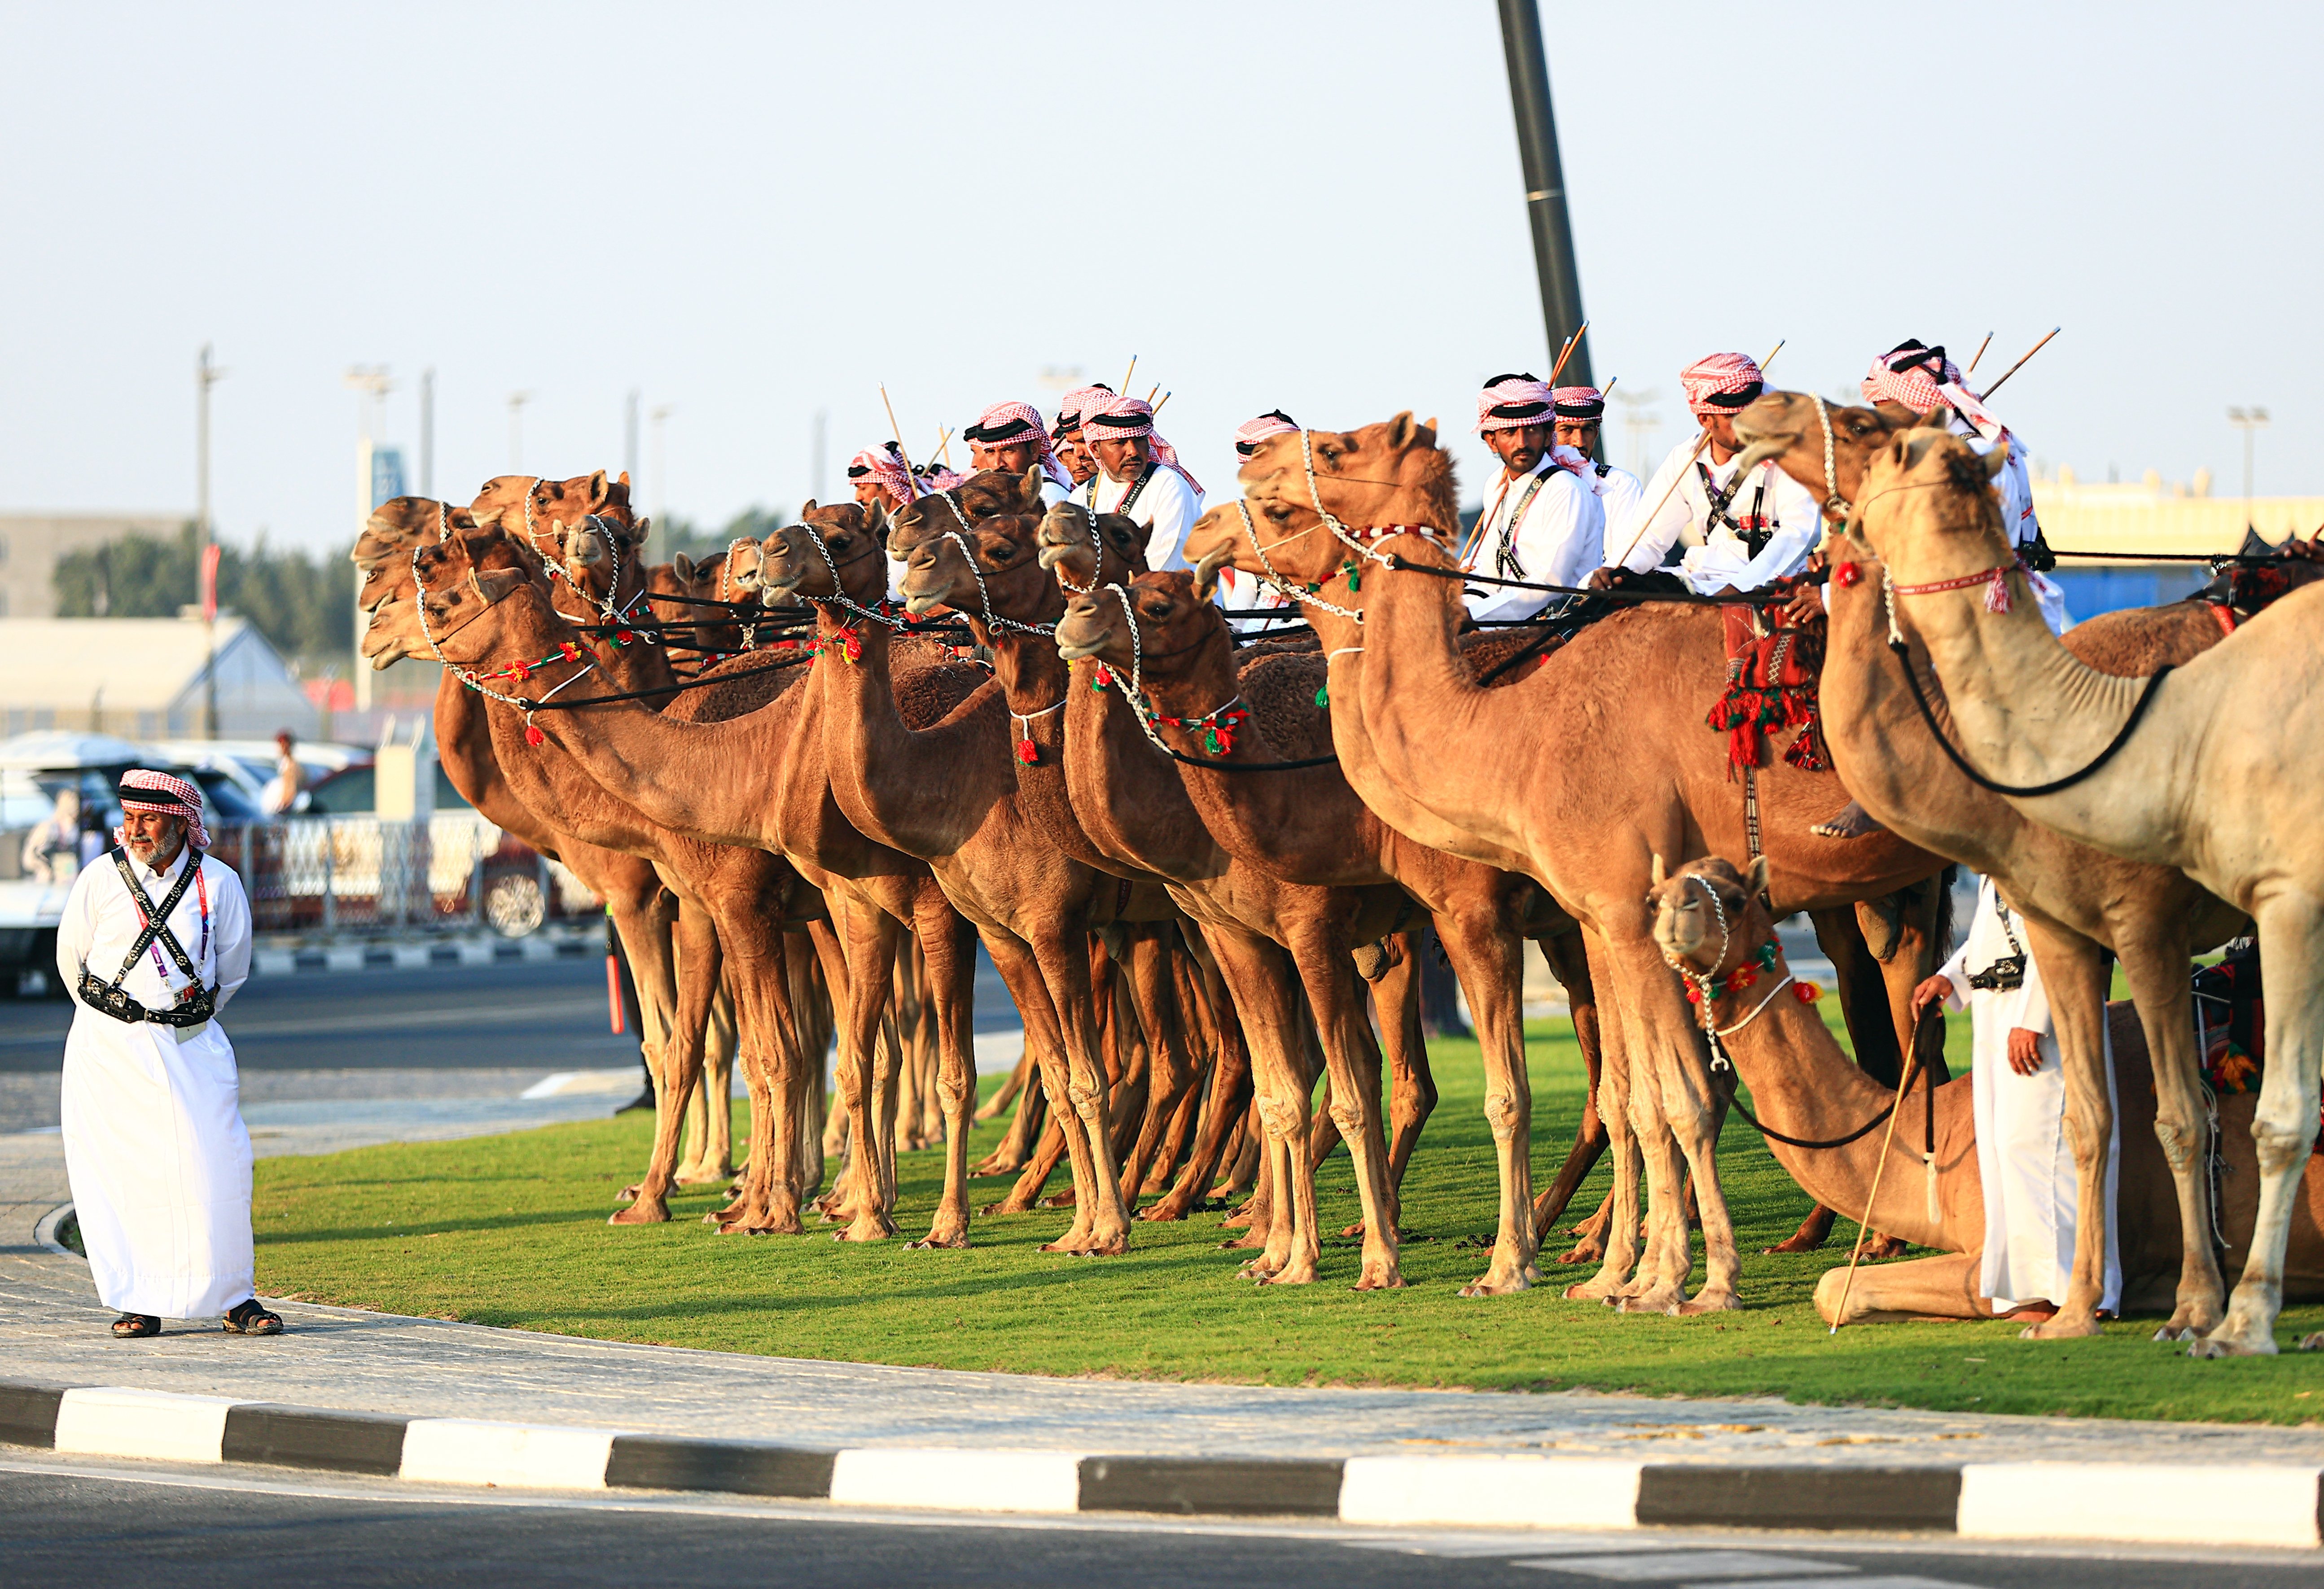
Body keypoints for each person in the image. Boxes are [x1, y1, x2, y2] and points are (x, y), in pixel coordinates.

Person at [55, 769, 277, 1339]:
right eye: (130, 819)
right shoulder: (101, 879)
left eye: (149, 819)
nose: (136, 830)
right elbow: (71, 962)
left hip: (191, 1043)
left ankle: (236, 1298)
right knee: (125, 1176)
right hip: (110, 1049)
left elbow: (232, 970)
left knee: (216, 1165)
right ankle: (138, 1300)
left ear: (180, 822)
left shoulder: (220, 883)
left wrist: (178, 1018)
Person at [1912, 877, 2119, 1324]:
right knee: (2007, 1149)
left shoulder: (2046, 852)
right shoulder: (1998, 863)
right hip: (1994, 1013)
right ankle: (2032, 1290)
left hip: (2046, 1015)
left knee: (2049, 1149)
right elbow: (1990, 934)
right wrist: (1949, 978)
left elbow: (2062, 937)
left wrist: (2034, 1019)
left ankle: (2075, 1291)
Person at [1859, 339, 2068, 632]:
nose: (1881, 423)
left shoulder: (1968, 458)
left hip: (1983, 620)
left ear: (1921, 407)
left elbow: (1926, 552)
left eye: (1885, 410)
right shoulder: (1937, 456)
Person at [1596, 350, 1820, 596]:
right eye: (1736, 418)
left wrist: (1740, 588)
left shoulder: (1785, 455)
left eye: (1753, 414)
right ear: (1705, 419)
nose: (1750, 427)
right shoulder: (1684, 459)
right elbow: (1649, 538)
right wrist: (1616, 569)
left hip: (1773, 585)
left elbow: (1799, 532)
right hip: (1701, 580)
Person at [1467, 374, 1605, 624]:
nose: (1522, 443)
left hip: (1559, 625)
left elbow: (1552, 583)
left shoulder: (1566, 489)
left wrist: (1474, 616)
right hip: (1501, 616)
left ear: (1547, 433)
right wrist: (1459, 606)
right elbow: (1491, 572)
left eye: (1531, 430)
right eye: (1509, 432)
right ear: (1491, 441)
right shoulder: (1495, 486)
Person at [1076, 394, 1204, 573]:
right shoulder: (1082, 497)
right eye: (1120, 443)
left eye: (1139, 440)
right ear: (1096, 450)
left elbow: (1165, 559)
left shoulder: (1169, 485)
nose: (1133, 451)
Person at [1219, 411, 1306, 627]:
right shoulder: (1248, 521)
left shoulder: (1325, 515)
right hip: (1256, 635)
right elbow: (1246, 591)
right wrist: (1229, 629)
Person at [1548, 384, 1644, 545]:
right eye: (1567, 430)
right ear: (1547, 435)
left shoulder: (1620, 484)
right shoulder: (1529, 483)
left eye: (1587, 430)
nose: (1579, 442)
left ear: (1596, 433)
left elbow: (1625, 554)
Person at [962, 401, 1074, 503]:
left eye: (1008, 450)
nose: (997, 465)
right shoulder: (1014, 495)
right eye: (990, 452)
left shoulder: (1046, 496)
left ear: (1034, 450)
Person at [1050, 384, 1116, 487]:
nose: (1078, 454)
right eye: (1072, 446)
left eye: (1083, 441)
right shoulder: (1080, 497)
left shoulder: (1150, 487)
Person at [21, 786, 82, 884]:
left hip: (68, 879)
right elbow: (28, 858)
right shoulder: (46, 828)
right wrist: (43, 868)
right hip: (47, 882)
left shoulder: (75, 830)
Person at [261, 730, 303, 816]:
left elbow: (290, 789)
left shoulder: (290, 765)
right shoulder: (286, 763)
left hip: (285, 808)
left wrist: (283, 806)